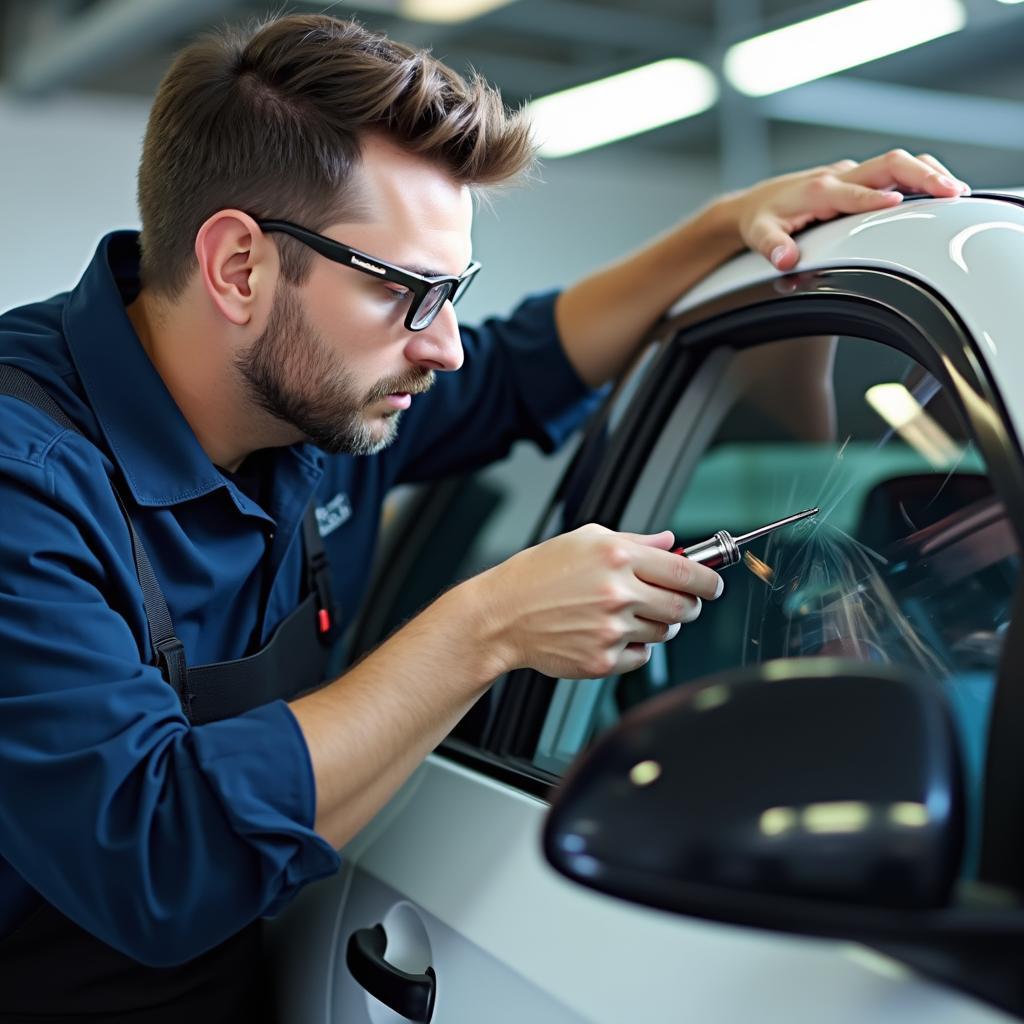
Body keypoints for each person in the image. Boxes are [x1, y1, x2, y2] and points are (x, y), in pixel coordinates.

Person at [0, 12, 970, 1022]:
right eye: (407, 291)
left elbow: (521, 367)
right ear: (239, 267)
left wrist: (725, 225)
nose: (445, 345)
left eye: (451, 290)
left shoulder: (316, 398)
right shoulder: (23, 485)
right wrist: (487, 626)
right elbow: (154, 857)